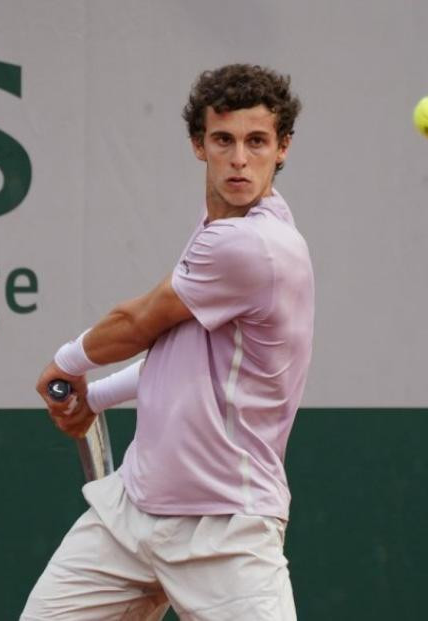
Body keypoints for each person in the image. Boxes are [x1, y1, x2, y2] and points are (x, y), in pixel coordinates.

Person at [22, 63, 314, 621]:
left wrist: (67, 363)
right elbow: (182, 359)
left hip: (225, 526)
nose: (238, 159)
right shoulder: (218, 232)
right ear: (198, 145)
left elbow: (137, 324)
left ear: (283, 148)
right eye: (223, 140)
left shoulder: (254, 246)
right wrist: (97, 398)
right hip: (134, 511)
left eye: (257, 142)